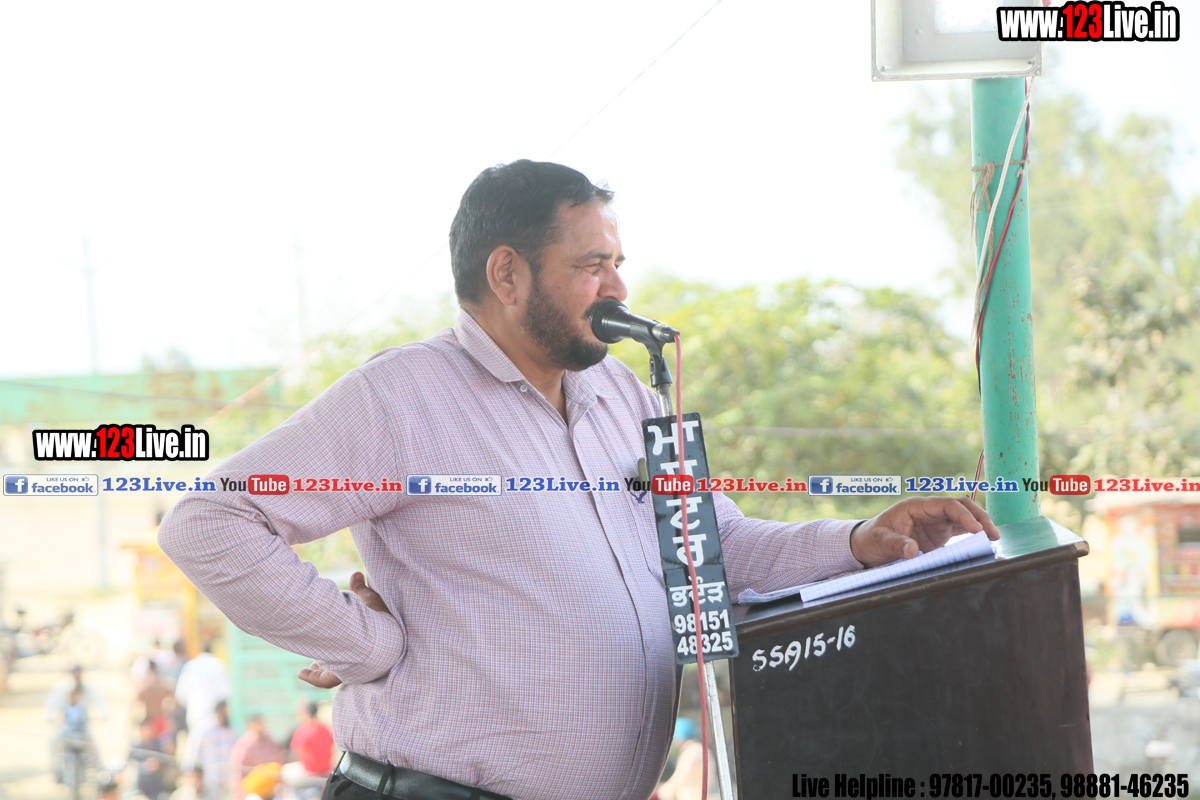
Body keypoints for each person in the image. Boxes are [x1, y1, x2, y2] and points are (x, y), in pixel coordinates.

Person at [159, 160, 1001, 800]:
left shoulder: (623, 395)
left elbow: (715, 546)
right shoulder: (403, 396)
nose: (619, 288)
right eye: (592, 264)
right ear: (507, 274)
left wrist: (861, 541)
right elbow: (209, 522)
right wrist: (366, 646)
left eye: (619, 262)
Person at [182, 700, 236, 800]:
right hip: (210, 783)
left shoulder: (232, 729)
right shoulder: (203, 728)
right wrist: (194, 780)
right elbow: (191, 757)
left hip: (229, 783)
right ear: (221, 710)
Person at [174, 643, 229, 732]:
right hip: (215, 717)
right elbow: (225, 693)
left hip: (195, 715)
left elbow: (180, 694)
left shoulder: (190, 665)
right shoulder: (218, 664)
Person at [230, 715, 285, 799]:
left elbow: (280, 765)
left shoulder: (271, 743)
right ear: (249, 726)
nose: (260, 726)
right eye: (257, 723)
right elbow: (237, 773)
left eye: (261, 723)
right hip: (253, 792)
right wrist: (239, 796)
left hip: (272, 791)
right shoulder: (243, 746)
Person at [280, 701, 334, 787]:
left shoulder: (304, 729)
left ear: (306, 713)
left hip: (310, 773)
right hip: (326, 771)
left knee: (284, 770)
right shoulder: (326, 729)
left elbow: (295, 754)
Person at [130, 717, 170, 800]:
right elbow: (130, 763)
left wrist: (158, 763)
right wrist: (144, 765)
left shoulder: (157, 745)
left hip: (156, 786)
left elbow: (165, 761)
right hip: (140, 785)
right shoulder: (136, 747)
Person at [137, 660, 175, 738]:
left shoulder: (146, 683)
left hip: (150, 718)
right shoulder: (161, 682)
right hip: (159, 717)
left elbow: (139, 696)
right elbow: (171, 692)